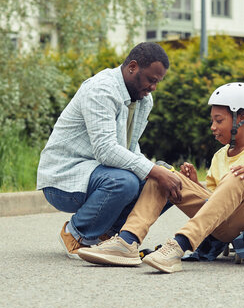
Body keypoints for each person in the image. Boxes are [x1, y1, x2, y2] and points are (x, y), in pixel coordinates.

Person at [77, 82, 244, 273]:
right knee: (163, 174)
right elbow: (217, 204)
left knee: (238, 175)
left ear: (242, 117)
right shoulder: (219, 156)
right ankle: (127, 241)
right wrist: (195, 185)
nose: (212, 127)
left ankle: (178, 245)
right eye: (212, 121)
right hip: (222, 226)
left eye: (219, 120)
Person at [37, 42, 182, 260]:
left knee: (168, 180)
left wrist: (160, 172)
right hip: (63, 179)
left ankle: (111, 238)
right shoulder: (101, 89)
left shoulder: (144, 99)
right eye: (151, 80)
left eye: (157, 82)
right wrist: (153, 170)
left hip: (100, 173)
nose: (154, 87)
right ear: (132, 67)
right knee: (126, 181)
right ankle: (77, 234)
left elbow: (130, 150)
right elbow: (106, 150)